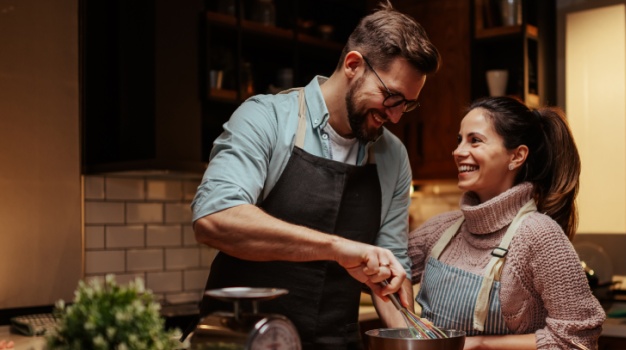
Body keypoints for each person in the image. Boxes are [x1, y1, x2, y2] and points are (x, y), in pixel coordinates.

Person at [190, 1, 440, 348]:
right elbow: (215, 218)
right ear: (354, 65)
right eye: (391, 97)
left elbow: (390, 270)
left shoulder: (392, 156)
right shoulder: (267, 119)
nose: (396, 117)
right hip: (243, 340)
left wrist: (413, 338)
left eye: (407, 105)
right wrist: (338, 248)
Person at [406, 97, 605, 349]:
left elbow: (579, 340)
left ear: (517, 156)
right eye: (460, 140)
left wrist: (480, 344)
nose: (457, 152)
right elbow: (379, 273)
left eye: (474, 140)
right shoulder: (442, 229)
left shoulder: (539, 236)